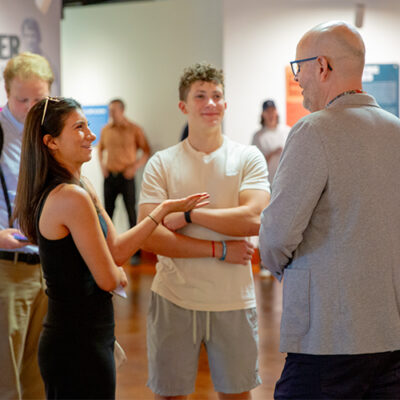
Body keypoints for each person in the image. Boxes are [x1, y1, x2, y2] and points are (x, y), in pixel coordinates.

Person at [13, 96, 209, 399]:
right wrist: (115, 273)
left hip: (90, 333)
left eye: (88, 125)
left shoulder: (82, 187)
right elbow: (108, 277)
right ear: (50, 142)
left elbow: (116, 250)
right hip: (75, 340)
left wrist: (162, 210)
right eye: (79, 128)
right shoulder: (69, 196)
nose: (91, 134)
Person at [259, 21, 400, 399]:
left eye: (299, 67)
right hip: (391, 334)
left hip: (328, 335)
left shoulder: (313, 131)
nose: (298, 78)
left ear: (322, 66)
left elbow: (276, 234)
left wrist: (279, 270)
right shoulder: (396, 130)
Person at [138, 62, 270, 400]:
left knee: (237, 394)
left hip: (233, 301)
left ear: (226, 104)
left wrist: (189, 214)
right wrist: (220, 249)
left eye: (217, 96)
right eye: (200, 96)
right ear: (183, 106)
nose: (210, 103)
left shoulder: (248, 157)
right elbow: (150, 235)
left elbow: (254, 219)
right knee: (170, 395)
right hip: (174, 297)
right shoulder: (162, 163)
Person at [0, 52, 53, 400]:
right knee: (6, 376)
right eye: (23, 99)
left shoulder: (51, 132)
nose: (33, 107)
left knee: (39, 372)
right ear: (7, 93)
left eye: (41, 99)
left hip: (49, 268)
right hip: (6, 269)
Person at [98, 99, 151, 264]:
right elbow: (100, 150)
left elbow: (147, 151)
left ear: (122, 110)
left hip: (126, 177)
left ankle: (135, 253)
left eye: (114, 110)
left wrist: (134, 167)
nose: (111, 114)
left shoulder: (134, 129)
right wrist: (103, 167)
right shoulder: (105, 130)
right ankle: (107, 250)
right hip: (110, 177)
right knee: (107, 213)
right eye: (109, 111)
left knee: (131, 213)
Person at [251, 99, 289, 185]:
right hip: (268, 183)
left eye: (273, 111)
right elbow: (255, 163)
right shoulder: (258, 136)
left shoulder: (287, 131)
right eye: (268, 111)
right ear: (263, 114)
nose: (271, 114)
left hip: (286, 181)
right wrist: (272, 153)